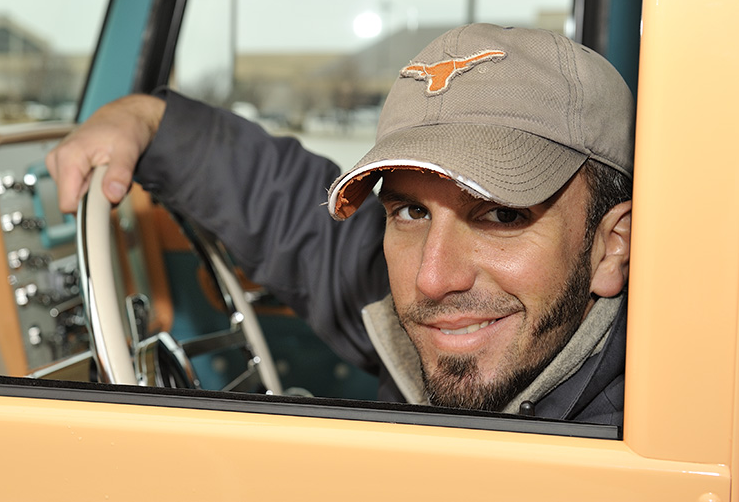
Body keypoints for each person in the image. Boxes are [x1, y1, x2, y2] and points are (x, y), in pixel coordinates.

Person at [47, 23, 634, 426]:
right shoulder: (402, 296)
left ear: (612, 247)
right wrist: (148, 120)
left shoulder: (637, 440)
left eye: (502, 214)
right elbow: (290, 214)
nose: (432, 278)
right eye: (411, 212)